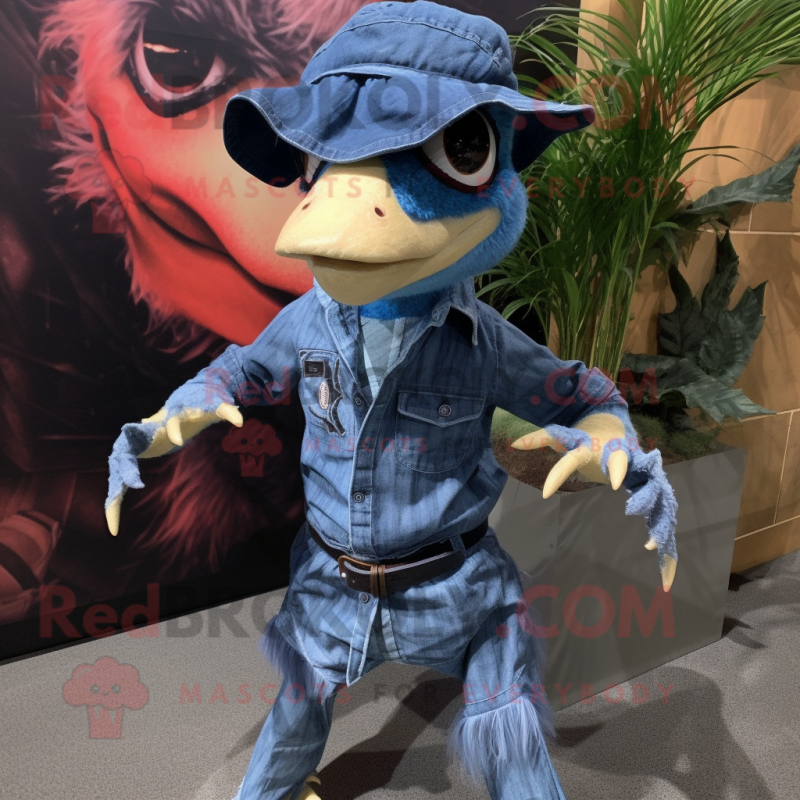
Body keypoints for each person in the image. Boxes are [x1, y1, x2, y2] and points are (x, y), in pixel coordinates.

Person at [106, 3, 679, 798]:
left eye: (459, 148)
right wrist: (186, 408)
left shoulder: (485, 342)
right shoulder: (308, 322)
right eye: (327, 159)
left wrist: (606, 435)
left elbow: (583, 393)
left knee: (511, 733)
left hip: (462, 589)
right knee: (291, 726)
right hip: (331, 585)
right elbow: (239, 372)